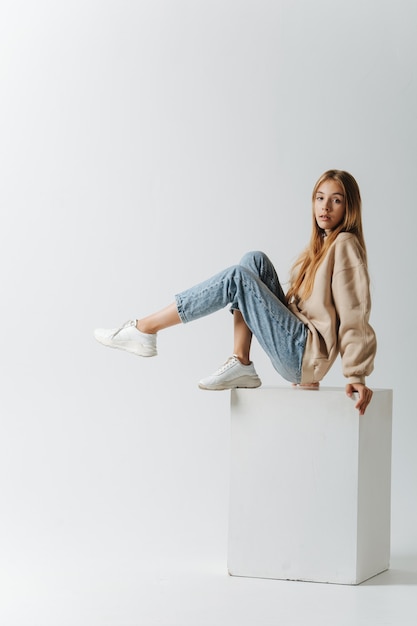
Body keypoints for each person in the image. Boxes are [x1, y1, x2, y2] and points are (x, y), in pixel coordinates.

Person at [94, 169, 376, 415]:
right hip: (299, 346)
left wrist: (356, 375)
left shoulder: (345, 245)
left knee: (237, 278)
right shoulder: (324, 246)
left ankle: (145, 328)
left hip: (302, 351)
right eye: (320, 198)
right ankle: (241, 360)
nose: (325, 206)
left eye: (336, 200)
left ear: (348, 208)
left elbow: (355, 313)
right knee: (254, 261)